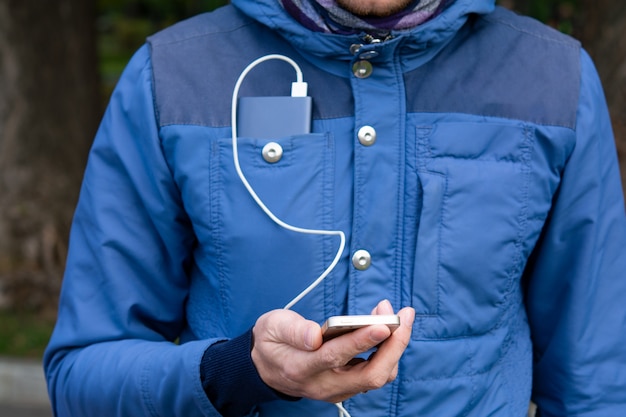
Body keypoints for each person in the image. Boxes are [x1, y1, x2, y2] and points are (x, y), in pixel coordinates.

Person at [44, 0, 626, 416]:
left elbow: (596, 387)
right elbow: (81, 375)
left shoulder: (556, 80)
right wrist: (238, 371)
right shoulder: (171, 77)